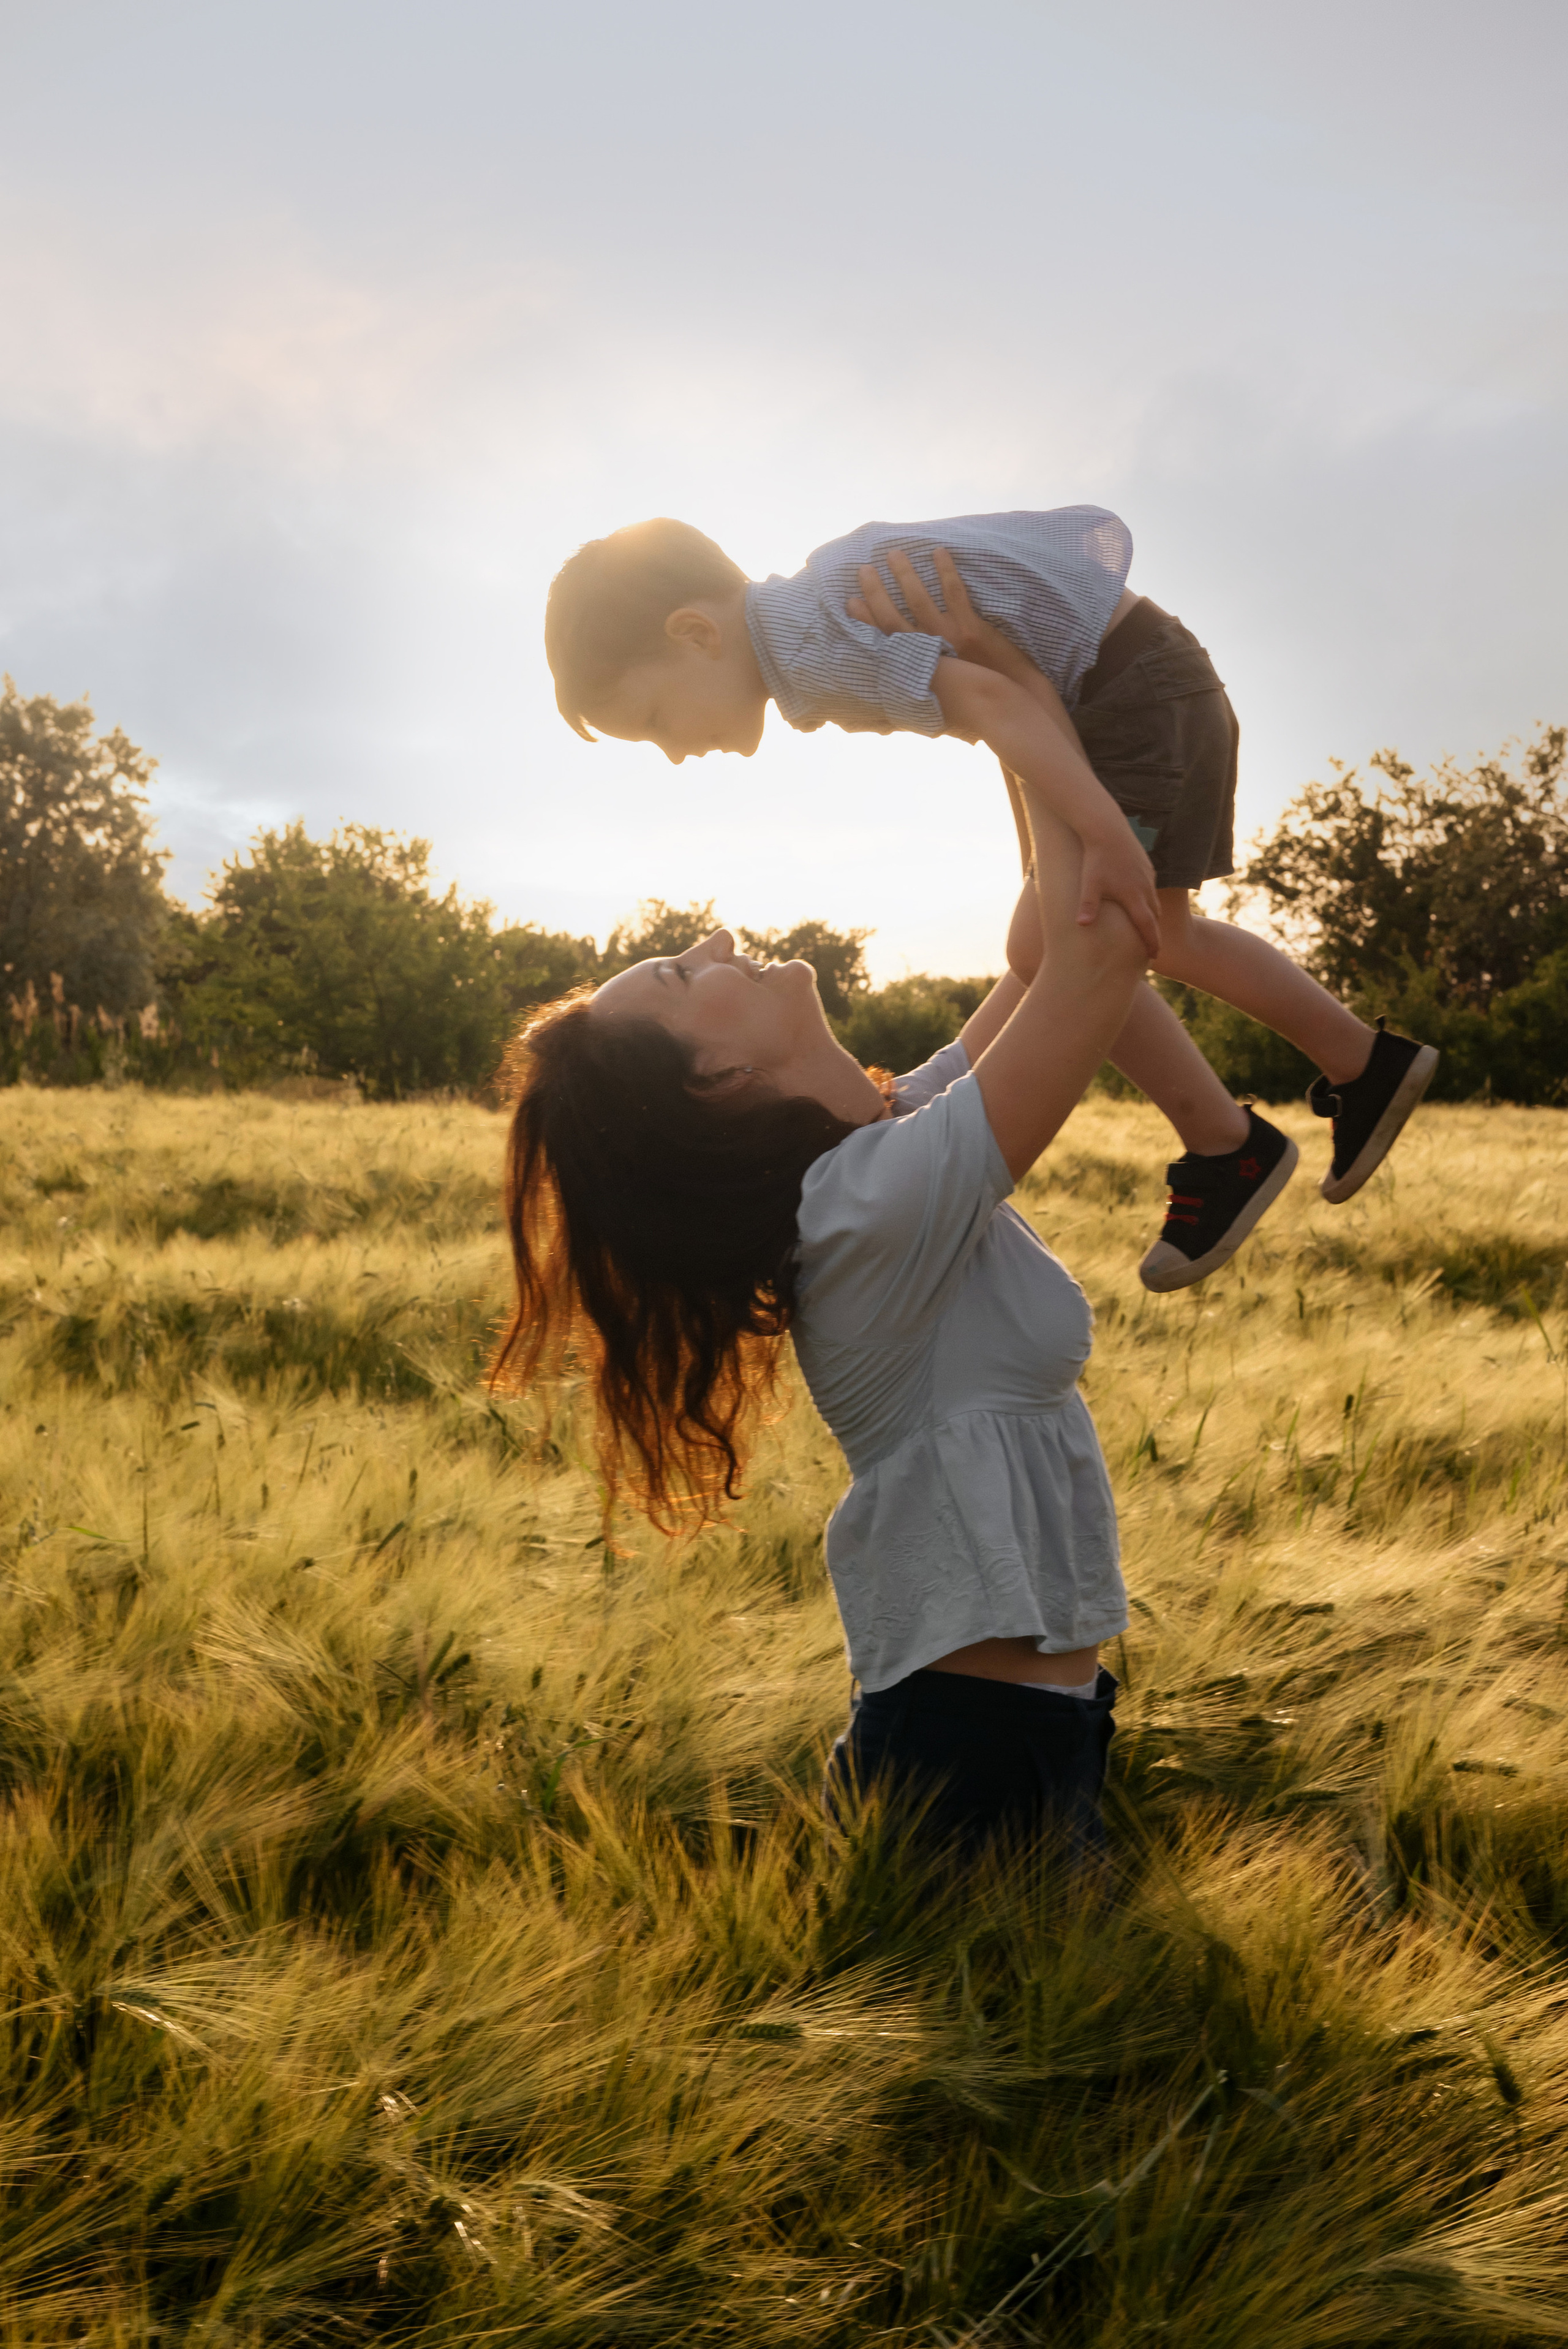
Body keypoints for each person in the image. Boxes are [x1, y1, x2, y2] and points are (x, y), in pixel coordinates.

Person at [493, 770, 1147, 1864]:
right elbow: (1104, 952)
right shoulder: (868, 1209)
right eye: (678, 971)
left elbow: (1043, 950)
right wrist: (1024, 711)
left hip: (1041, 1722)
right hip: (966, 1747)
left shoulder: (883, 1146)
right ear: (718, 1072)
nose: (711, 936)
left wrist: (1017, 726)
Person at [542, 512, 1439, 1290]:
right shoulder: (804, 621)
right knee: (1057, 941)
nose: (671, 754)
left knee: (1135, 928)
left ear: (696, 634)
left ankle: (1330, 1082)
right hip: (1116, 680)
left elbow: (996, 702)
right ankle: (1237, 1134)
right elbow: (1001, 686)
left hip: (1125, 690)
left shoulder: (810, 654)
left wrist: (1102, 830)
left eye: (655, 720)